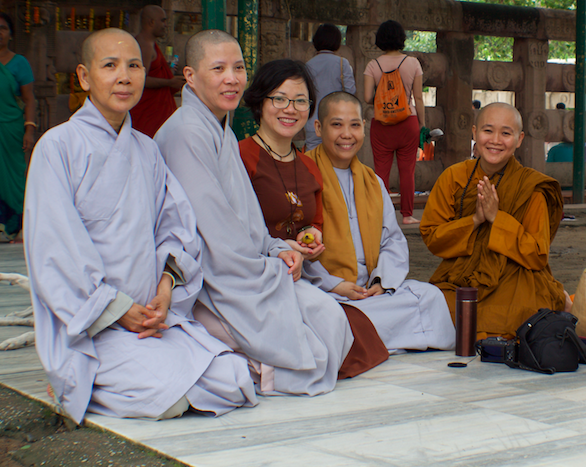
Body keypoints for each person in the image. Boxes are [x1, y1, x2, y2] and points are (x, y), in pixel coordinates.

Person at [23, 29, 257, 424]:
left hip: (152, 317)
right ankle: (77, 380)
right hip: (94, 325)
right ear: (84, 77)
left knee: (234, 380)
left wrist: (166, 288)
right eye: (110, 65)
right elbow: (55, 249)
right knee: (168, 400)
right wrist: (117, 309)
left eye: (134, 66)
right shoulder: (57, 146)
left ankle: (138, 372)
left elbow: (175, 227)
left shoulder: (146, 149)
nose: (125, 77)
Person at [155, 30, 354, 396]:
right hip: (215, 278)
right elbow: (213, 233)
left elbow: (247, 219)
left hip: (251, 265)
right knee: (315, 354)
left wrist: (278, 249)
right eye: (218, 68)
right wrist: (269, 267)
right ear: (190, 76)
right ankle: (256, 369)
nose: (231, 78)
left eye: (238, 67)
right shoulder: (186, 132)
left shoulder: (222, 132)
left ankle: (259, 363)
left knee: (332, 323)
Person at [238, 59, 388, 373]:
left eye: (300, 101)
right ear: (260, 101)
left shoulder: (308, 166)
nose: (289, 109)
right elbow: (233, 230)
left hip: (299, 276)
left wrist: (312, 236)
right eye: (279, 99)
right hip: (255, 275)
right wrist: (279, 249)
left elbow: (312, 222)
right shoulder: (240, 157)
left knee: (340, 321)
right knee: (331, 321)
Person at [307, 91, 455, 351]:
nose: (346, 134)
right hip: (326, 291)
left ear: (363, 129)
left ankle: (360, 341)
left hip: (369, 292)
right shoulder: (303, 174)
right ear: (319, 128)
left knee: (429, 297)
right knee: (322, 315)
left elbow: (392, 239)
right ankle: (373, 339)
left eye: (354, 125)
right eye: (336, 124)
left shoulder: (372, 181)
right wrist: (336, 285)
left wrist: (381, 281)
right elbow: (296, 246)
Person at [420, 103, 570, 340]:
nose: (496, 140)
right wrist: (475, 220)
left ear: (519, 139)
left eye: (506, 133)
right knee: (429, 307)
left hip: (514, 280)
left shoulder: (531, 187)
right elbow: (432, 236)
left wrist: (497, 218)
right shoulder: (454, 177)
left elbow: (537, 254)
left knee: (519, 318)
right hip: (460, 279)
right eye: (488, 131)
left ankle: (560, 300)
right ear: (474, 133)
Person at [363, 20, 425, 225]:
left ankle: (382, 215)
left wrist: (384, 97)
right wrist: (422, 125)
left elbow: (366, 97)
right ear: (401, 38)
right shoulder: (413, 63)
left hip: (382, 123)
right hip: (409, 121)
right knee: (408, 170)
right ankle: (407, 215)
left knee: (381, 171)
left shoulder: (373, 65)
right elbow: (419, 98)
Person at [0, 12, 36, 242]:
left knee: (16, 177)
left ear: (10, 35)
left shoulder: (19, 63)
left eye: (3, 28)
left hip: (11, 130)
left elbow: (30, 99)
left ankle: (16, 226)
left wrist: (29, 129)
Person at [133, 5, 184, 138]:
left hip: (157, 110)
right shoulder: (144, 45)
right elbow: (140, 79)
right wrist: (169, 82)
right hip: (147, 114)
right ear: (151, 22)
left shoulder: (150, 44)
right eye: (163, 21)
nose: (165, 25)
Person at [303, 24, 355, 150]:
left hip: (312, 122)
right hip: (337, 121)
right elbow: (351, 92)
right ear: (337, 42)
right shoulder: (342, 64)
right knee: (335, 157)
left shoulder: (307, 66)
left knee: (312, 160)